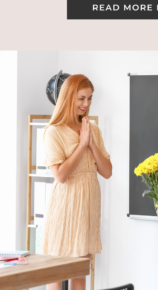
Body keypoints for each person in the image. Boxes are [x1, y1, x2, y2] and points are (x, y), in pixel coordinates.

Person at [42, 74, 112, 290]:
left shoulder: (92, 129)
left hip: (88, 206)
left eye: (90, 98)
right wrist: (81, 146)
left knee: (80, 272)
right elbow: (60, 176)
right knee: (56, 270)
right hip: (65, 207)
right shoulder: (53, 131)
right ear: (69, 96)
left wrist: (90, 142)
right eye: (81, 98)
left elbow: (107, 172)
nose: (86, 104)